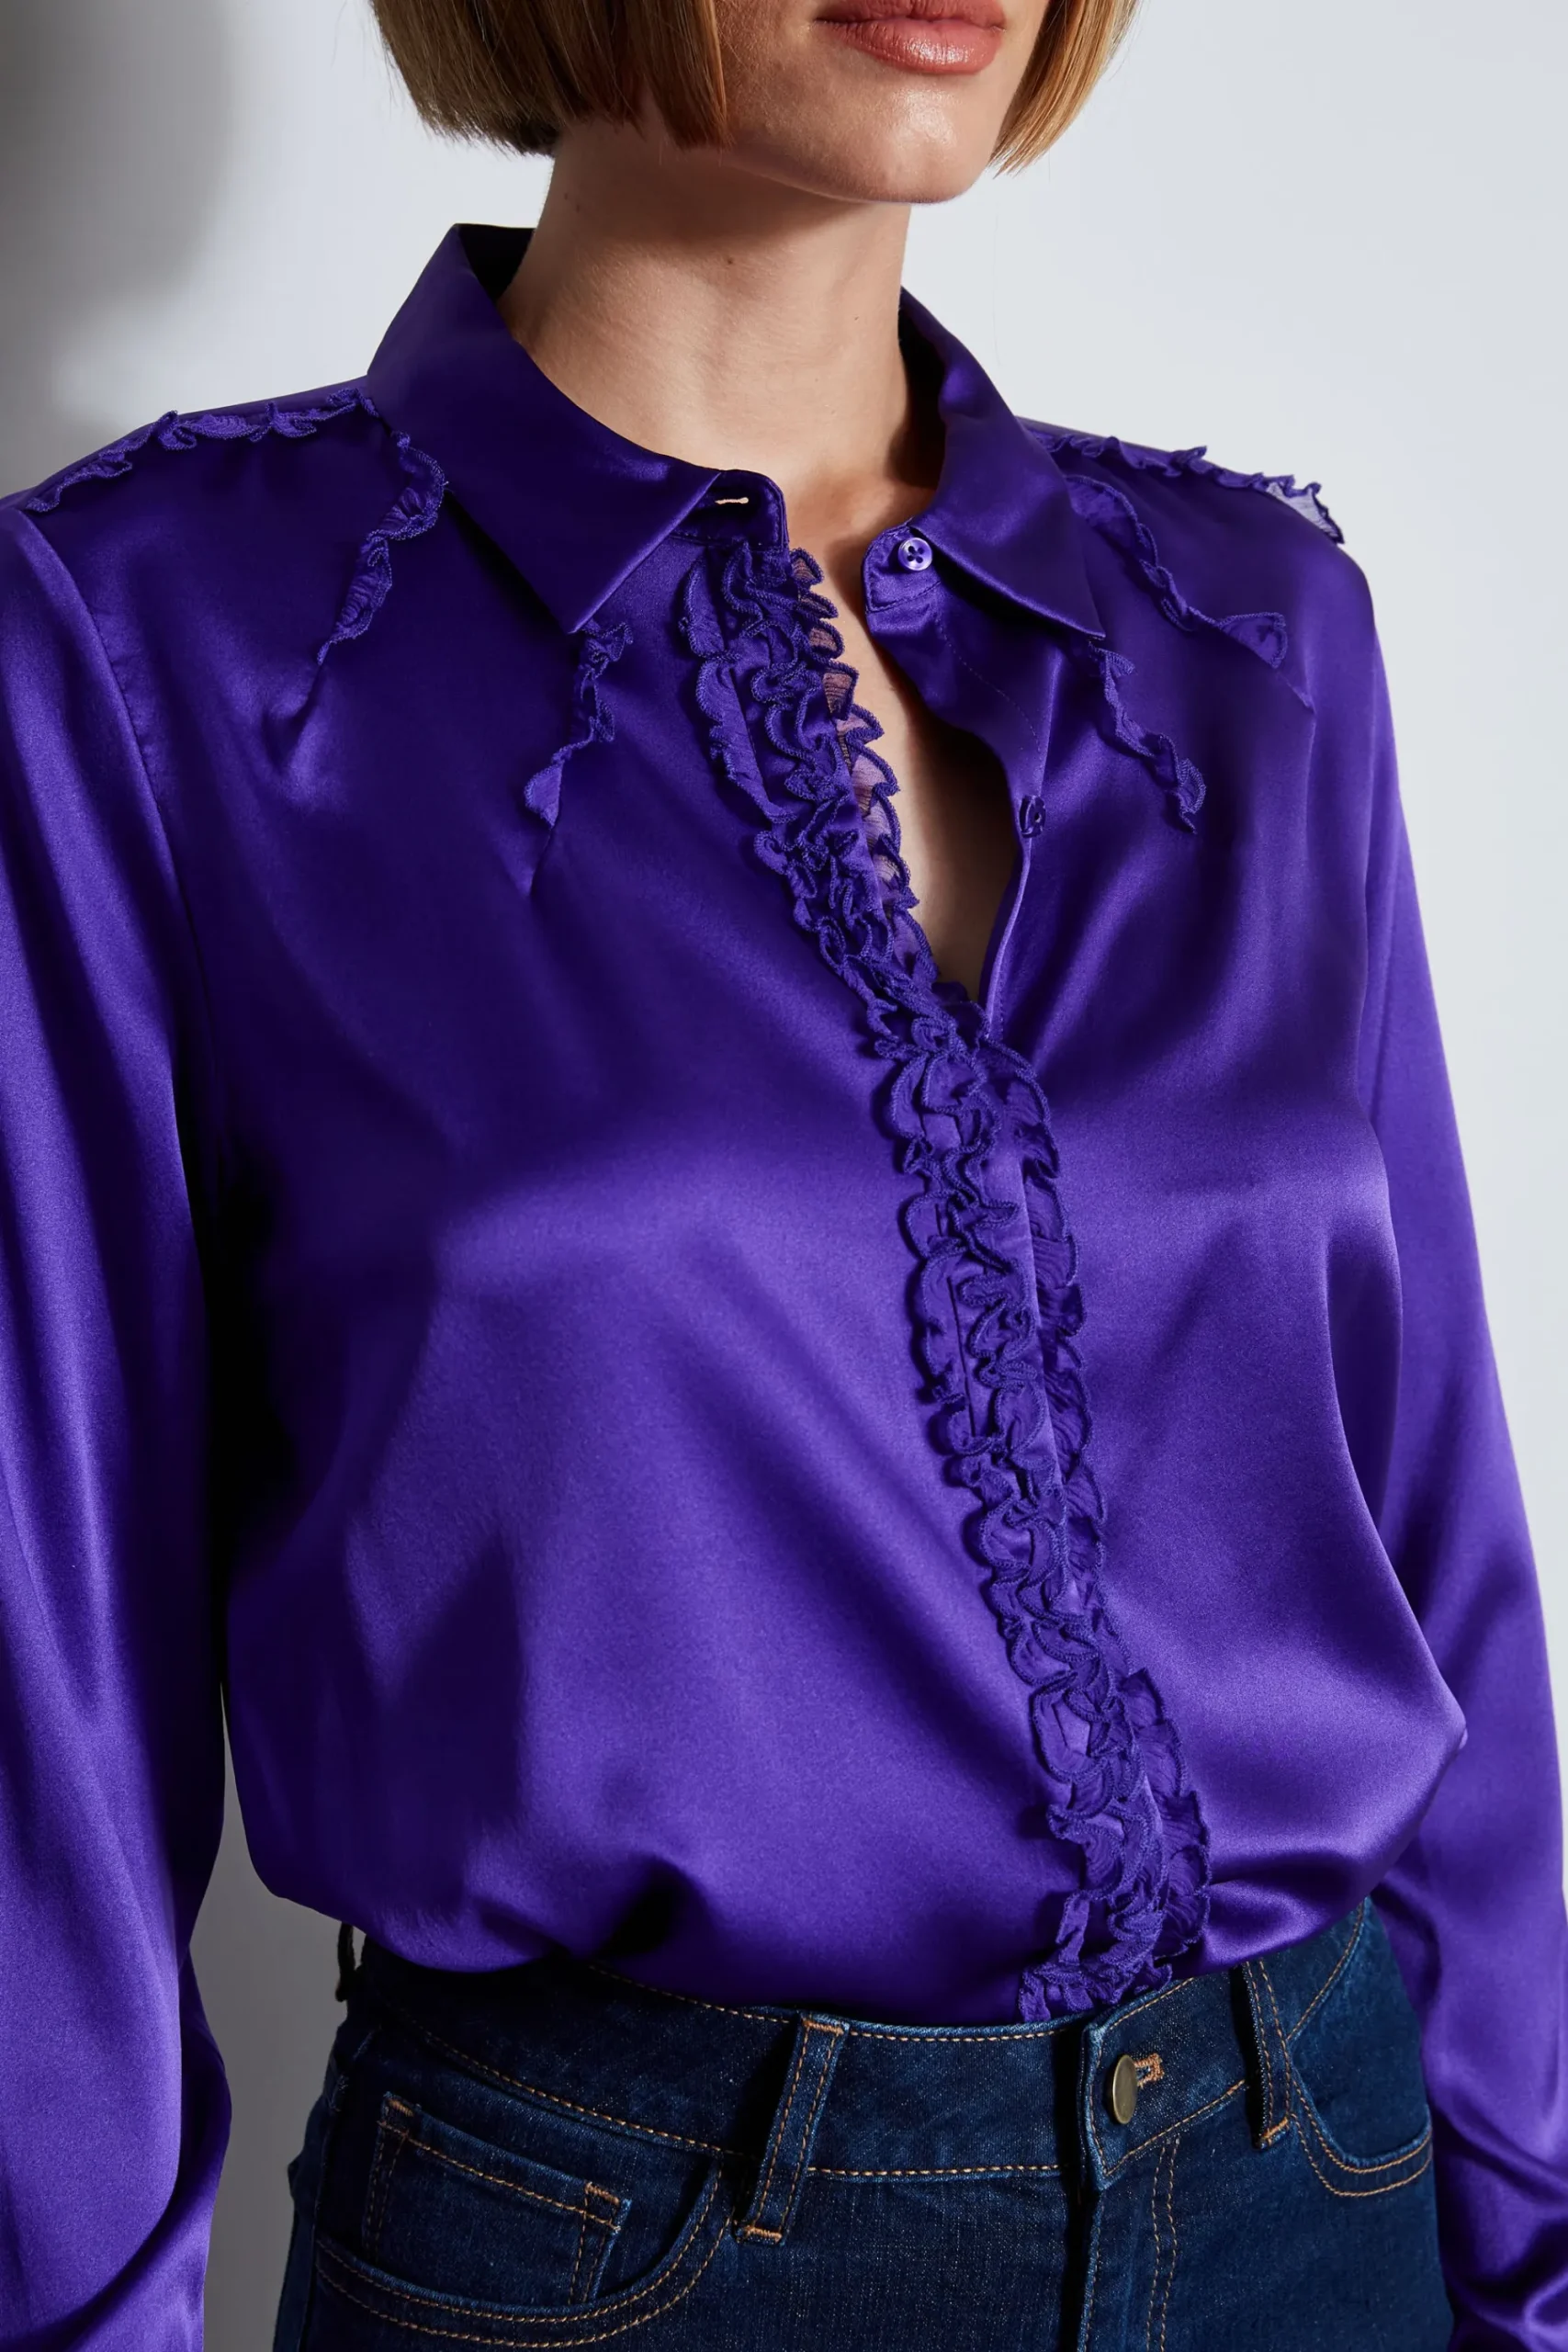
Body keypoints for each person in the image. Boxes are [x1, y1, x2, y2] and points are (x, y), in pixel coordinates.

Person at [0, 0, 1563, 2344]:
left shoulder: (1250, 636)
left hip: (1312, 2198)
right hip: (610, 2255)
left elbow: (1429, 1531)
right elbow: (47, 1684)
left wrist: (1534, 2275)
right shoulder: (162, 647)